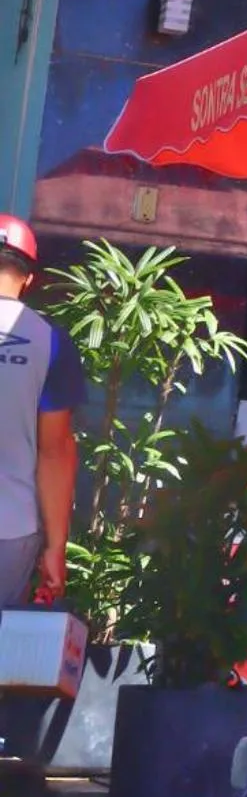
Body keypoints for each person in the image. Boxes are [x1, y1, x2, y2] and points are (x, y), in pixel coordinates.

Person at [0, 217, 83, 610]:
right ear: (30, 279)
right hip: (9, 526)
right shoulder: (50, 343)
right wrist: (56, 547)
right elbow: (54, 452)